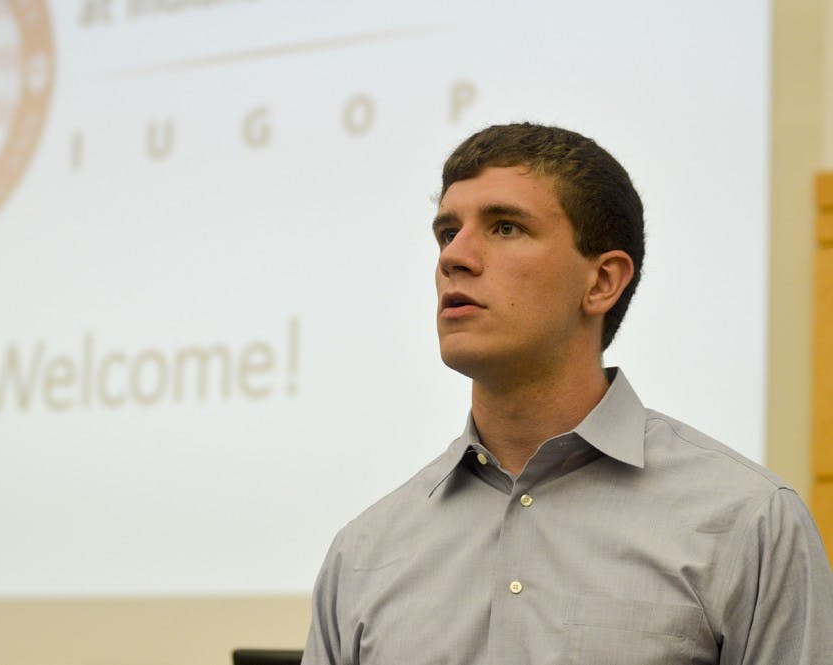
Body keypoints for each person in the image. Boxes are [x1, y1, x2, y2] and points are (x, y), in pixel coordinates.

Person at [301, 123, 833, 665]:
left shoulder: (749, 525)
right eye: (447, 232)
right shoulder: (363, 554)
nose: (453, 257)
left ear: (602, 282)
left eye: (505, 228)